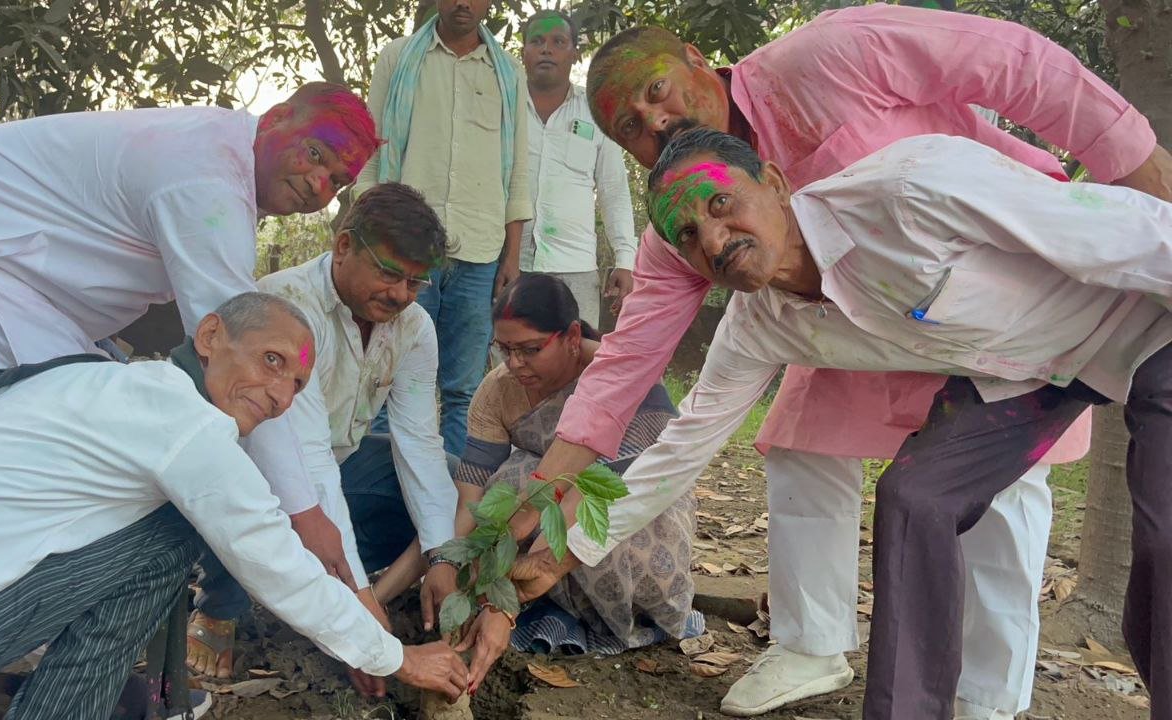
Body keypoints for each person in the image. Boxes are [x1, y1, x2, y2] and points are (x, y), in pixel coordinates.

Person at [511, 7, 1172, 717]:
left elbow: (1123, 226)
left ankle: (993, 695)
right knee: (910, 497)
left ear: (773, 180)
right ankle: (866, 682)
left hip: (1127, 324)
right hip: (999, 372)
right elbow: (672, 434)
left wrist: (1135, 160)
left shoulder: (905, 174)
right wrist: (558, 539)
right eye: (629, 130)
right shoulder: (753, 316)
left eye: (656, 92)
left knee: (1157, 561)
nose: (712, 237)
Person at [0, 292, 469, 720]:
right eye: (272, 361)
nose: (280, 396)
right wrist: (397, 659)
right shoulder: (189, 428)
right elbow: (276, 564)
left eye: (296, 384)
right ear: (211, 335)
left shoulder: (88, 377)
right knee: (173, 535)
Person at [0, 81, 379, 385]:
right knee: (62, 418)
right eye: (316, 154)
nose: (320, 185)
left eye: (338, 181)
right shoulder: (207, 182)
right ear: (275, 120)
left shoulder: (222, 157)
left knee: (75, 405)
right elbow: (238, 358)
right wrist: (302, 512)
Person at [185, 184, 459, 694]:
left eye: (415, 283)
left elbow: (418, 441)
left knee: (451, 481)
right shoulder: (288, 308)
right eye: (388, 273)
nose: (400, 295)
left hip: (340, 463)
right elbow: (302, 460)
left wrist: (442, 555)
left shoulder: (414, 328)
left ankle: (339, 583)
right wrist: (354, 610)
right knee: (276, 510)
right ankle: (218, 602)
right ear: (343, 247)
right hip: (257, 468)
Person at [450, 273, 701, 692]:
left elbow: (609, 483)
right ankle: (533, 600)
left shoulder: (622, 376)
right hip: (541, 511)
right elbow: (474, 486)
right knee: (509, 483)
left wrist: (504, 601)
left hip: (631, 505)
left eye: (530, 350)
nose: (514, 364)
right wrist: (455, 562)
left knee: (542, 492)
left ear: (569, 336)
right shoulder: (498, 391)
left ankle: (603, 613)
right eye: (504, 349)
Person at [354, 0, 533, 456]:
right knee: (383, 376)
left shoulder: (508, 71)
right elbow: (372, 149)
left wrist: (512, 256)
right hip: (405, 251)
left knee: (463, 388)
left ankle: (455, 490)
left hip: (480, 250)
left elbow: (517, 172)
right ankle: (377, 491)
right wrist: (371, 234)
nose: (463, 4)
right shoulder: (398, 57)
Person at [518, 10, 638, 325]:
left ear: (575, 54)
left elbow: (613, 189)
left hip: (576, 268)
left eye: (558, 42)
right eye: (537, 41)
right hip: (510, 265)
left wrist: (625, 259)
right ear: (523, 52)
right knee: (509, 364)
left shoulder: (596, 113)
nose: (546, 49)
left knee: (576, 362)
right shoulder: (505, 107)